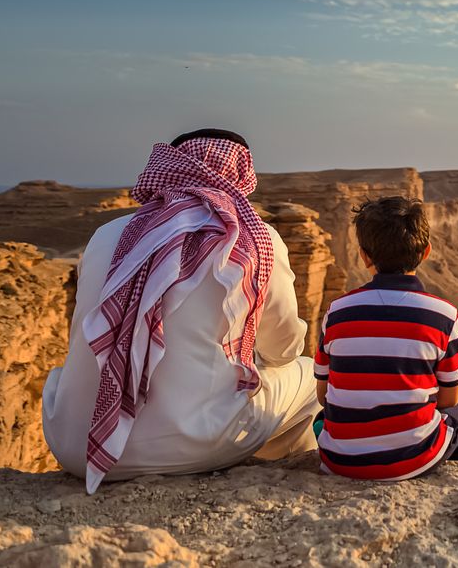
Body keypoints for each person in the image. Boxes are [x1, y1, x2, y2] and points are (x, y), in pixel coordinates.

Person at [42, 129, 319, 493]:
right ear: (240, 174)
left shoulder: (106, 235)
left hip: (75, 447)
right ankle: (276, 481)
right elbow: (283, 348)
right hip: (186, 445)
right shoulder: (255, 239)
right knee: (307, 375)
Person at [312, 196, 458, 479]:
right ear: (426, 252)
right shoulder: (445, 316)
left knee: (320, 419)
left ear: (364, 255)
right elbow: (449, 399)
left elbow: (323, 395)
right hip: (411, 459)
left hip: (339, 460)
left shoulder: (337, 311)